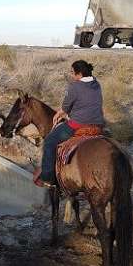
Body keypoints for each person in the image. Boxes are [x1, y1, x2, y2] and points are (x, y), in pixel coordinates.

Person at [33, 59, 105, 187]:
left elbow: (65, 108)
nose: (71, 75)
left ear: (79, 74)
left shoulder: (75, 87)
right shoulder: (96, 83)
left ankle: (47, 178)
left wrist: (58, 114)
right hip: (98, 124)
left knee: (49, 142)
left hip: (78, 125)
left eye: (72, 73)